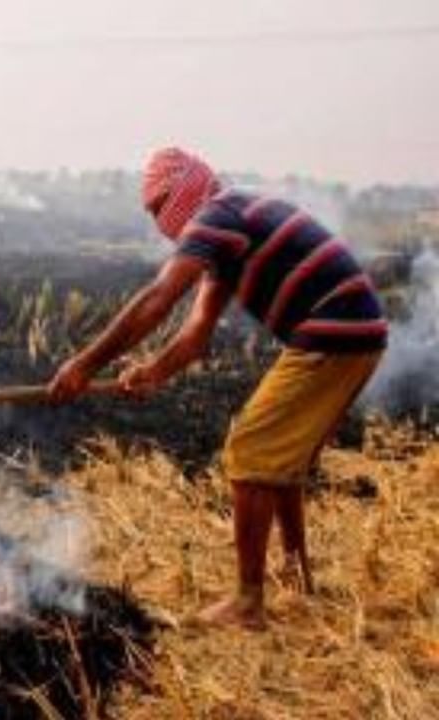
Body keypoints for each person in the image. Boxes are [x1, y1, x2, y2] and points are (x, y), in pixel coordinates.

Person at [48, 147, 387, 630]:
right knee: (284, 458)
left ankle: (248, 603)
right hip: (358, 329)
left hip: (336, 327)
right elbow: (196, 332)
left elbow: (158, 300)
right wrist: (154, 371)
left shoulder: (217, 213)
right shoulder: (229, 230)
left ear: (186, 188)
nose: (159, 221)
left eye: (159, 205)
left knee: (250, 451)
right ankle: (295, 575)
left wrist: (83, 364)